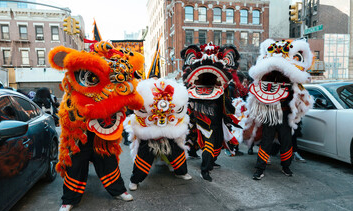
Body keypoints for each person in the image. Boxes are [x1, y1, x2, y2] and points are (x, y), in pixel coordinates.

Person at [48, 41, 145, 211]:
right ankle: (69, 199)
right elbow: (87, 110)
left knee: (107, 161)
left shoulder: (113, 85)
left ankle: (118, 190)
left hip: (103, 133)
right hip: (80, 133)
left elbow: (135, 100)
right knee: (76, 164)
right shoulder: (76, 90)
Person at [245, 39, 314, 180]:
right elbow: (256, 93)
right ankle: (260, 168)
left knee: (286, 140)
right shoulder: (265, 75)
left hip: (285, 113)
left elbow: (301, 93)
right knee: (266, 141)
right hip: (270, 112)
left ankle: (286, 166)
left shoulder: (291, 78)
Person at [181, 42, 242, 182]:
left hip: (218, 115)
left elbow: (227, 92)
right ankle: (205, 169)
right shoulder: (193, 87)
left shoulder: (223, 86)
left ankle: (211, 162)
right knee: (209, 141)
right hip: (203, 114)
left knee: (217, 141)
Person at [124, 77, 192, 191]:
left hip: (168, 133)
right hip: (149, 135)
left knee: (177, 154)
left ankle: (181, 172)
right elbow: (137, 110)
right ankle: (134, 180)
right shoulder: (144, 96)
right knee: (143, 159)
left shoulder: (173, 95)